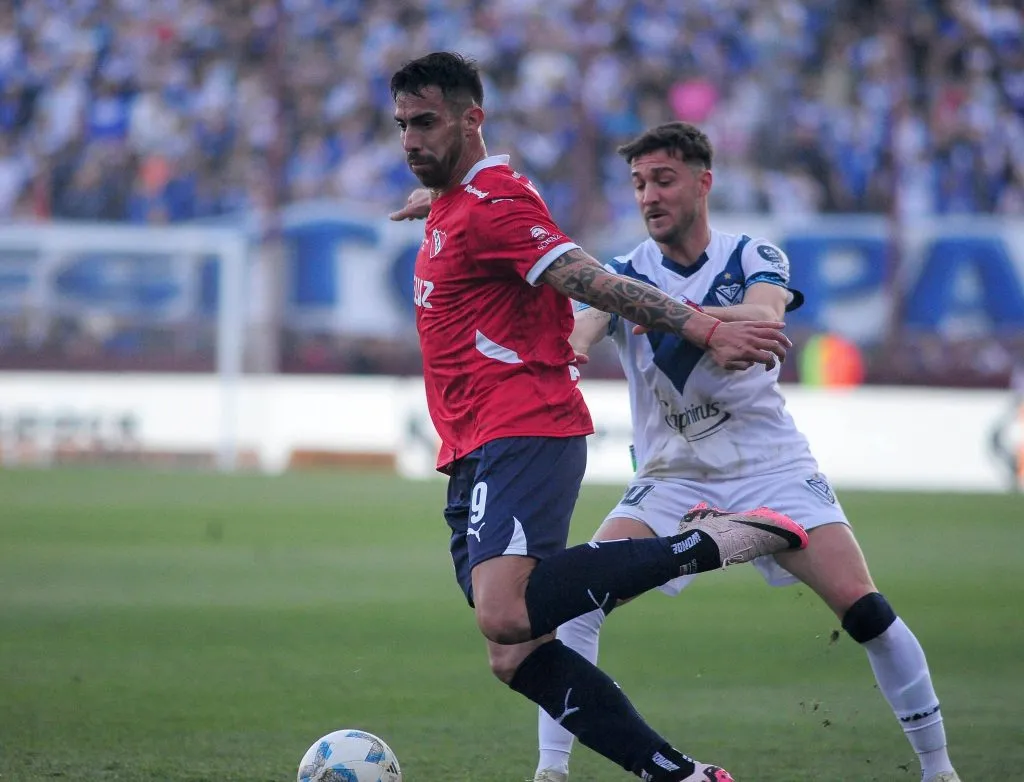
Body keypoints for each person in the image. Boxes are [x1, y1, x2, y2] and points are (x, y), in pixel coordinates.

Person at [388, 52, 809, 782]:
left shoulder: (494, 207)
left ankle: (701, 544)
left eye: (425, 122)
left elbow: (592, 280)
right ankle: (677, 774)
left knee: (504, 612)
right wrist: (446, 203)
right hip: (470, 443)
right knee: (514, 652)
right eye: (401, 125)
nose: (409, 140)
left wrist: (706, 328)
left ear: (471, 119)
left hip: (524, 425)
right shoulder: (466, 201)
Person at [525, 122, 960, 782]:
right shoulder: (620, 274)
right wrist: (568, 348)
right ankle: (550, 772)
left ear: (704, 182)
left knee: (864, 608)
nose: (650, 196)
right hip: (671, 477)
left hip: (771, 469)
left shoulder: (754, 254)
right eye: (640, 183)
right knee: (573, 607)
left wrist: (659, 311)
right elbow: (577, 337)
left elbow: (764, 321)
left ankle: (939, 769)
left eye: (664, 180)